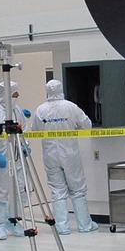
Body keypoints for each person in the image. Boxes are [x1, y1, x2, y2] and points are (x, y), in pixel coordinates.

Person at [30, 79, 98, 234]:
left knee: (57, 190)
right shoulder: (70, 107)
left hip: (50, 155)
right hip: (70, 154)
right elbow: (87, 125)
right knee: (78, 189)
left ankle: (61, 226)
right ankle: (85, 225)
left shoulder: (41, 110)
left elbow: (34, 130)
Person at [0, 81, 31, 241]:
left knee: (19, 190)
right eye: (14, 94)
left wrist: (25, 145)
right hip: (0, 161)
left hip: (17, 158)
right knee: (1, 193)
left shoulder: (16, 110)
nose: (17, 97)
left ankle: (14, 222)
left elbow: (24, 129)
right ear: (6, 94)